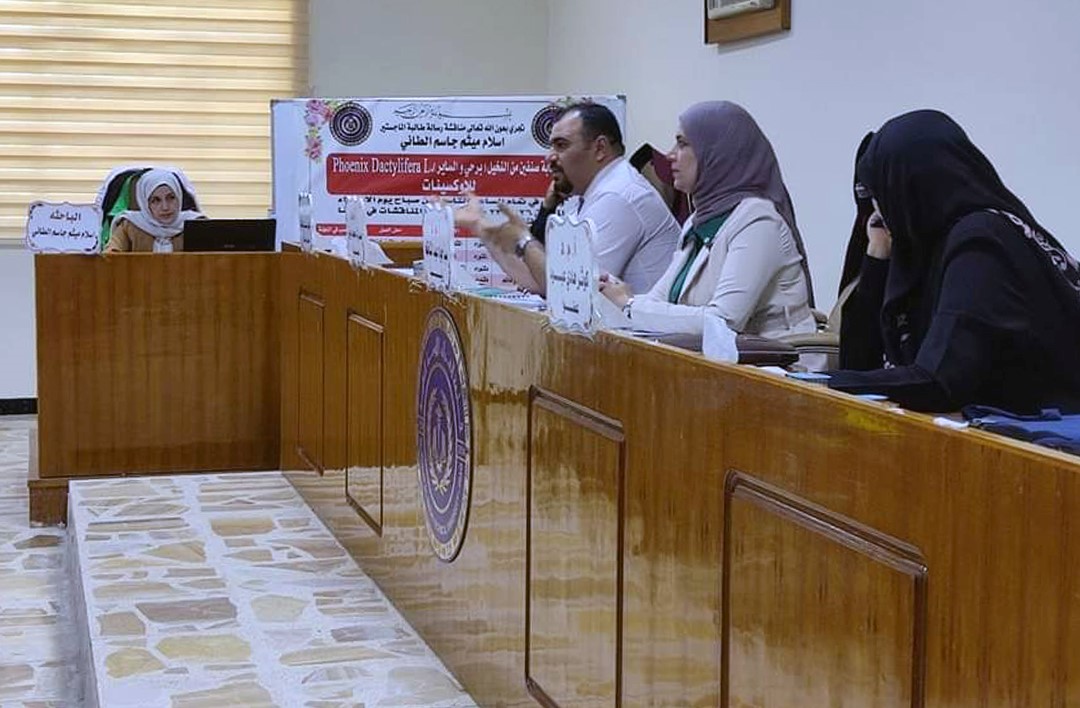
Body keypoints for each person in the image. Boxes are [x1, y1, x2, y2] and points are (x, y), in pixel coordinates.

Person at [827, 110, 1080, 413]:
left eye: (881, 193)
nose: (877, 208)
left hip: (1048, 434)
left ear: (909, 187)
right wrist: (877, 254)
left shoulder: (981, 244)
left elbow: (940, 381)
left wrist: (822, 383)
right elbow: (859, 363)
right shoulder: (926, 245)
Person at [598, 101, 817, 344]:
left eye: (683, 144)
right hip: (715, 357)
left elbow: (722, 321)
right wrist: (620, 296)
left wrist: (630, 304)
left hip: (777, 360)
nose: (670, 155)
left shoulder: (758, 221)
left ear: (718, 153)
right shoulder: (698, 220)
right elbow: (659, 299)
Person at [458, 102, 680, 295]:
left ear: (600, 148)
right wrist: (480, 227)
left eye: (561, 145)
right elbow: (539, 280)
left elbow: (570, 290)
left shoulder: (618, 195)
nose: (549, 158)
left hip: (644, 332)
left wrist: (524, 240)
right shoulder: (591, 194)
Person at [105, 169, 204, 253]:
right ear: (145, 203)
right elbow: (110, 258)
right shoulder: (129, 226)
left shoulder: (196, 224)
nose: (165, 207)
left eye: (171, 198)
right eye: (156, 200)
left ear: (179, 198)